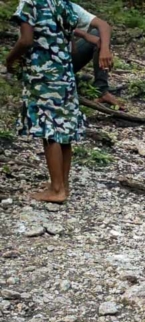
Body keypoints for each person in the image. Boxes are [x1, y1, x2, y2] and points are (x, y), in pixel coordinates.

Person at [5, 0, 86, 203]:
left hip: (42, 75)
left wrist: (10, 60)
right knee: (64, 129)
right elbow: (73, 47)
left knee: (49, 129)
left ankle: (56, 189)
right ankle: (62, 185)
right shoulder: (64, 4)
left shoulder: (30, 3)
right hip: (65, 73)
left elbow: (25, 40)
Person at [71, 3, 123, 108]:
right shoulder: (33, 6)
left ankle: (101, 89)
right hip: (42, 64)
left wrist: (104, 49)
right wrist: (84, 34)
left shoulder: (67, 6)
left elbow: (104, 25)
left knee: (100, 37)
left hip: (67, 58)